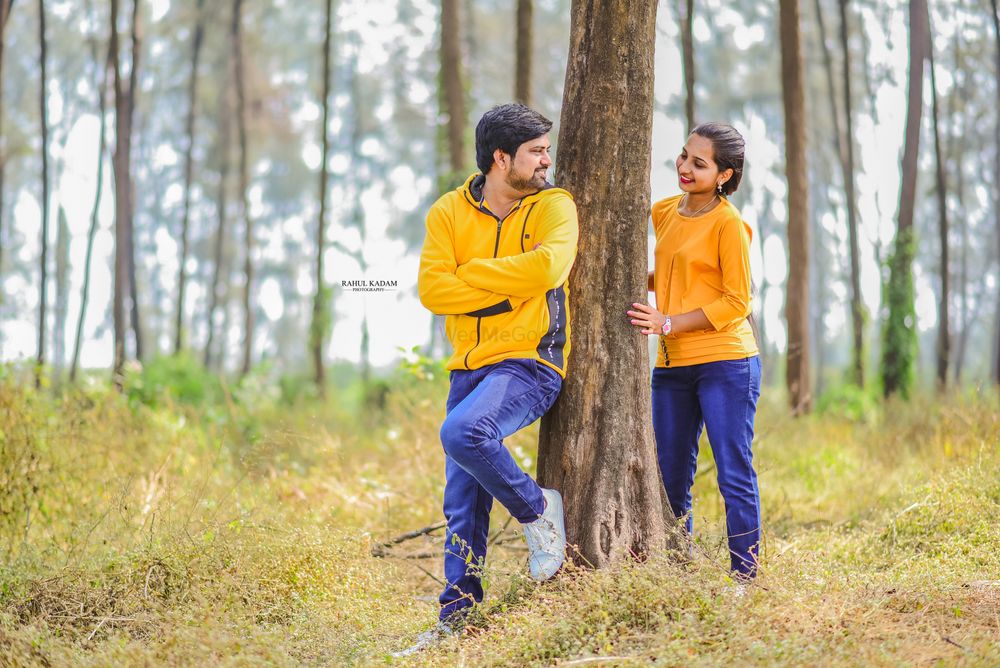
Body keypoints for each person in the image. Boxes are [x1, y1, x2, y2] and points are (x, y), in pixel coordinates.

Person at [399, 103, 579, 655]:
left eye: (546, 149)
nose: (548, 160)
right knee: (462, 505)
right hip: (467, 368)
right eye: (536, 151)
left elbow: (548, 268)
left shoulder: (554, 205)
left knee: (463, 433)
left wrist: (471, 275)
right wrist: (507, 287)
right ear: (502, 159)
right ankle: (458, 619)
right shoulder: (448, 212)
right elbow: (433, 290)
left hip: (531, 361)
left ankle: (537, 510)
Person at [626, 122, 762, 580]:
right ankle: (679, 574)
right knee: (668, 479)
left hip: (726, 363)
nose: (684, 167)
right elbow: (668, 275)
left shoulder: (729, 223)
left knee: (732, 473)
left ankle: (744, 579)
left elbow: (736, 300)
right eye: (684, 156)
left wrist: (667, 321)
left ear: (724, 175)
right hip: (672, 366)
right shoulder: (664, 211)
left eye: (699, 163)